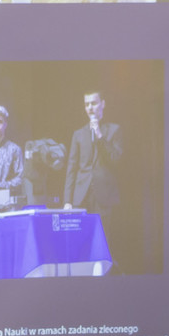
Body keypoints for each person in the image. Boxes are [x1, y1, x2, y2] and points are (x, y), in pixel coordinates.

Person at [64, 91, 124, 260]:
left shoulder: (114, 130)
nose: (90, 107)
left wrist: (99, 135)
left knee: (102, 243)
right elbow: (71, 168)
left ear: (103, 104)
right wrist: (68, 200)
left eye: (94, 103)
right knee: (80, 243)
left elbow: (115, 159)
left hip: (103, 197)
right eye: (87, 104)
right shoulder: (78, 134)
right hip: (81, 197)